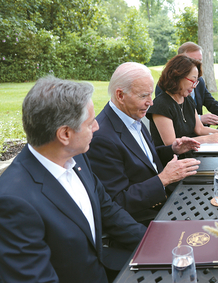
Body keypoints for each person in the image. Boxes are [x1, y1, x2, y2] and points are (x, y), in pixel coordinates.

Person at [0, 76, 147, 282]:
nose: (97, 127)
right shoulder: (14, 202)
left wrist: (151, 241)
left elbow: (108, 210)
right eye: (89, 123)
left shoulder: (76, 156)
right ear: (65, 134)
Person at [87, 62, 201, 222]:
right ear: (120, 95)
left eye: (150, 94)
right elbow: (118, 201)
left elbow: (145, 161)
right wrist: (163, 179)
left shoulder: (131, 116)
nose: (151, 102)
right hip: (147, 217)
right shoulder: (102, 137)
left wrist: (172, 149)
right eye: (143, 96)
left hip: (166, 200)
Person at [148, 54, 218, 148]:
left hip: (191, 153)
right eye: (192, 80)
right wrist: (206, 139)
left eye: (196, 81)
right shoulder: (161, 104)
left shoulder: (187, 99)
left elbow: (200, 129)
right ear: (177, 76)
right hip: (173, 161)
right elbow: (171, 144)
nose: (195, 86)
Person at [155, 42, 218, 125]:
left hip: (199, 132)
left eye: (200, 61)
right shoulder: (166, 85)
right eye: (192, 60)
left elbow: (210, 101)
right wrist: (199, 118)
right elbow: (169, 114)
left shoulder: (199, 80)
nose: (197, 65)